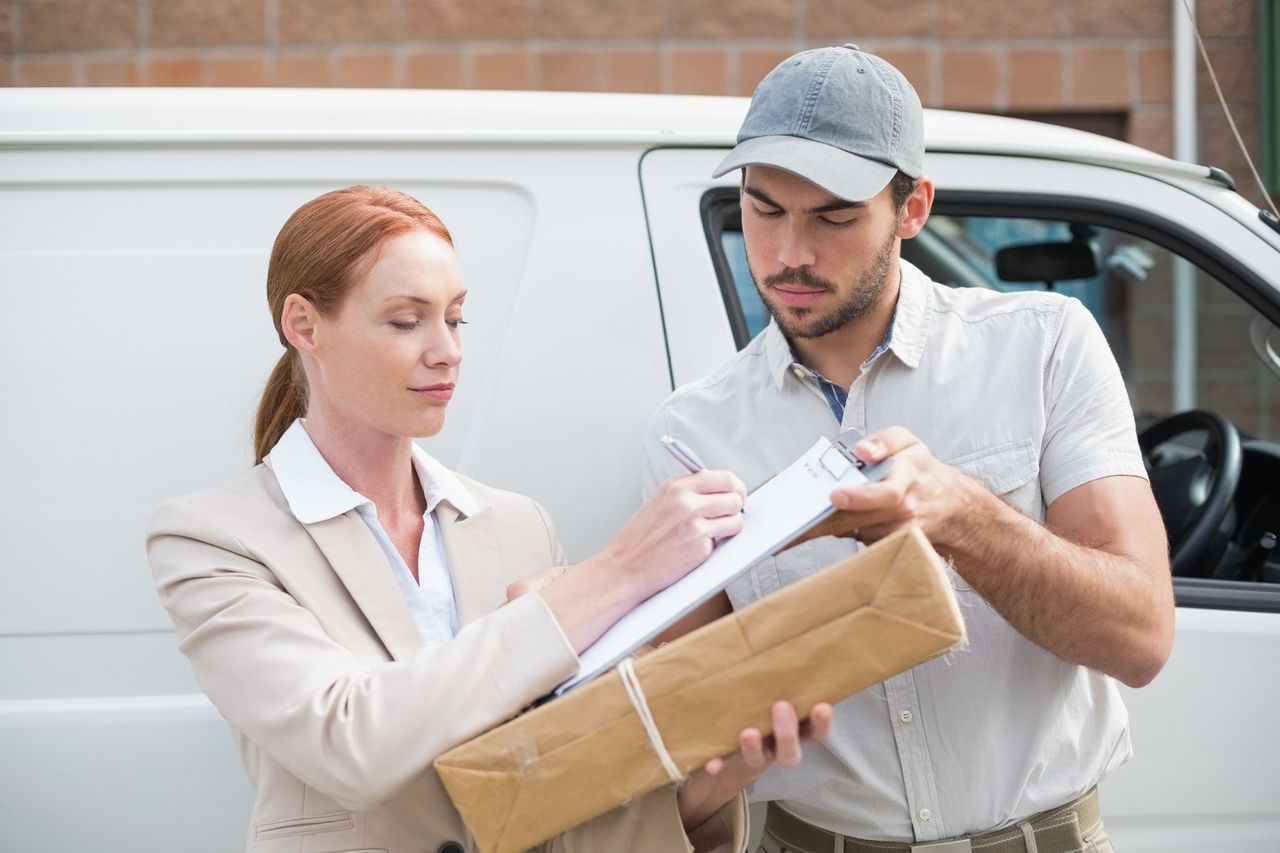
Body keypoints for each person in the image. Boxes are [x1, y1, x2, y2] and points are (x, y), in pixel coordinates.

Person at [147, 185, 833, 853]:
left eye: (455, 317)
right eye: (406, 319)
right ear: (303, 325)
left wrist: (704, 790)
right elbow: (350, 741)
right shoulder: (213, 539)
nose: (447, 349)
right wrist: (617, 573)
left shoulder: (515, 524)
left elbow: (560, 796)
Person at [643, 46, 1173, 853]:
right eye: (764, 209)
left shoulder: (1044, 345)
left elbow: (1139, 637)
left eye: (833, 216)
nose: (789, 253)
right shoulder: (693, 431)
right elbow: (689, 723)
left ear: (914, 206)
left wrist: (961, 516)